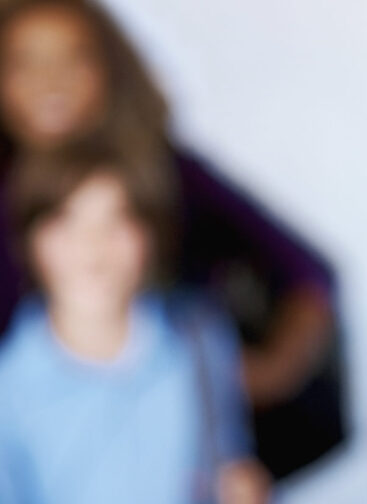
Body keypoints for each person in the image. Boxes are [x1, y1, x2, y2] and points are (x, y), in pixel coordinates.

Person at [0, 0, 343, 477]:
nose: (50, 80)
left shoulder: (168, 177)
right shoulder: (19, 377)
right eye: (23, 62)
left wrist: (265, 375)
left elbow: (307, 273)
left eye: (118, 218)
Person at [0, 143, 267, 503]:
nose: (93, 249)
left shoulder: (201, 337)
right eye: (66, 222)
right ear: (30, 240)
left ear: (149, 235)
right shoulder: (10, 390)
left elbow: (230, 459)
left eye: (117, 220)